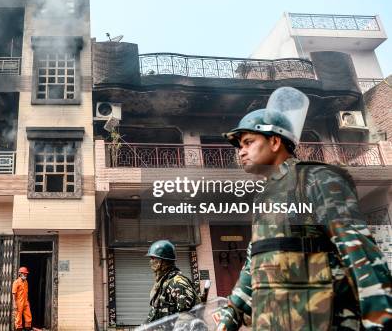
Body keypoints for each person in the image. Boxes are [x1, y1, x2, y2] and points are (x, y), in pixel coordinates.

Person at [216, 86, 392, 330]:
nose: (241, 152)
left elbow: (361, 256)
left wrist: (379, 323)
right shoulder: (264, 199)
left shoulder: (317, 179)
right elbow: (253, 265)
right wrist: (229, 317)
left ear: (275, 141)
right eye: (239, 146)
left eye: (248, 142)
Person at [145, 239, 200, 323]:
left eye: (152, 258)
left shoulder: (178, 283)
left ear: (161, 261)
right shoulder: (164, 282)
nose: (150, 261)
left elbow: (188, 318)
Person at [12, 267, 32, 331]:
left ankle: (27, 328)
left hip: (25, 301)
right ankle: (18, 329)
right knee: (18, 317)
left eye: (26, 274)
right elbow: (14, 294)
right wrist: (14, 304)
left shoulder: (26, 282)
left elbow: (27, 292)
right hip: (19, 302)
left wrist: (27, 301)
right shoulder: (16, 282)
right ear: (20, 274)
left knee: (28, 316)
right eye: (24, 274)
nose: (26, 275)